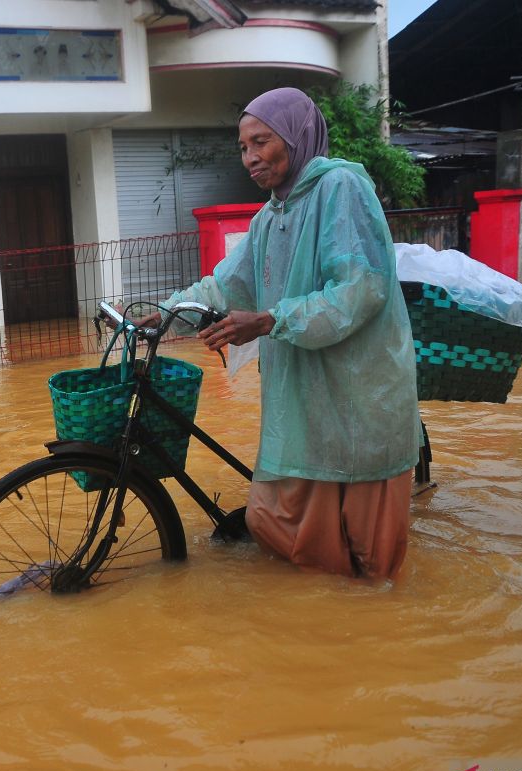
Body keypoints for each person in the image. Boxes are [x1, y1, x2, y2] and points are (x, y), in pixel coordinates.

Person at [148, 87, 421, 580]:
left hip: (358, 392)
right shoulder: (269, 217)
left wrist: (272, 320)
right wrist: (166, 313)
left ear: (296, 138)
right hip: (302, 398)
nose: (250, 158)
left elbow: (362, 288)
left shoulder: (340, 187)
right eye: (243, 147)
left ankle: (374, 633)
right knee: (276, 522)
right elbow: (227, 283)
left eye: (262, 142)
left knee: (371, 554)